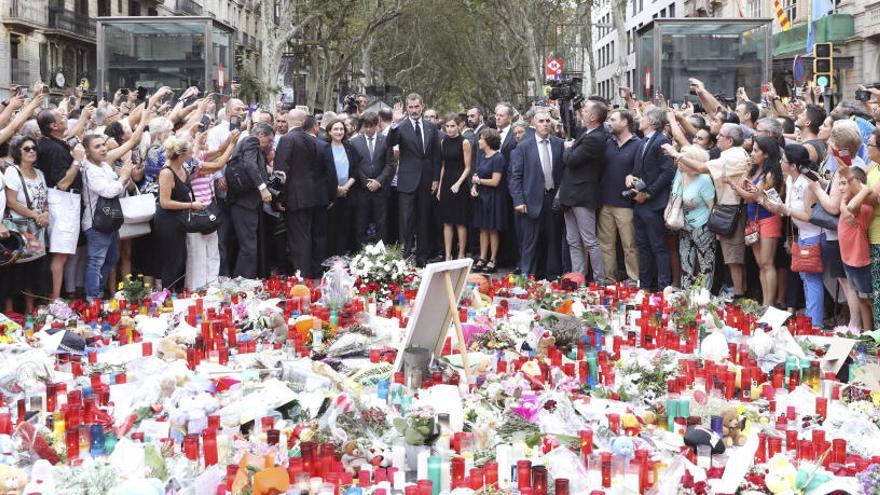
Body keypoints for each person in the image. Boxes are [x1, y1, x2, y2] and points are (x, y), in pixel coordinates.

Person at [668, 123, 750, 297]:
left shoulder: (731, 156)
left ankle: (737, 295)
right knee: (728, 258)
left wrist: (676, 154)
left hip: (729, 211)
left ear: (729, 140)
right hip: (714, 216)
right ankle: (689, 293)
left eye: (720, 135)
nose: (716, 137)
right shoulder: (731, 154)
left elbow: (700, 167)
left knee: (732, 258)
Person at [726, 136, 784, 306]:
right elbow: (743, 186)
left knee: (767, 263)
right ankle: (765, 303)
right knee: (761, 264)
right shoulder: (755, 170)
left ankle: (769, 304)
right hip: (753, 219)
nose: (752, 153)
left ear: (766, 154)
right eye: (752, 150)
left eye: (756, 150)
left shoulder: (771, 173)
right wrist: (747, 171)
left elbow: (751, 197)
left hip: (768, 219)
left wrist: (733, 185)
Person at [771, 144, 824, 327]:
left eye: (783, 161)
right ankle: (811, 318)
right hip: (801, 233)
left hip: (813, 234)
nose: (780, 163)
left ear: (793, 165)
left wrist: (787, 209)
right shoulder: (789, 180)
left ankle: (815, 322)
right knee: (804, 277)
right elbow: (788, 210)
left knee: (811, 278)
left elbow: (811, 217)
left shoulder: (807, 183)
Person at [386, 93, 442, 265]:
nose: (413, 110)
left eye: (416, 107)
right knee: (406, 221)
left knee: (424, 220)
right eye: (410, 107)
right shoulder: (400, 126)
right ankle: (405, 257)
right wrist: (394, 122)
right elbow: (389, 142)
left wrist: (435, 179)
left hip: (426, 181)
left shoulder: (431, 127)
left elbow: (436, 156)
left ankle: (422, 258)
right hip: (407, 181)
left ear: (422, 106)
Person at [509, 109, 564, 279]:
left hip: (553, 199)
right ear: (533, 124)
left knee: (553, 239)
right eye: (541, 121)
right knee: (530, 242)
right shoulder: (524, 146)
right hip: (530, 200)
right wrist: (518, 200)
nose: (545, 124)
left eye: (548, 121)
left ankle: (552, 276)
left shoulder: (558, 144)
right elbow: (515, 176)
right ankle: (528, 276)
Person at [627, 107, 675, 291]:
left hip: (653, 203)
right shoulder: (643, 141)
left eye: (643, 117)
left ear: (652, 121)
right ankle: (645, 285)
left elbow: (667, 172)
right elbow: (642, 170)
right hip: (639, 203)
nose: (639, 119)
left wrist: (649, 193)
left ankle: (663, 287)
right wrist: (630, 176)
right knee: (643, 246)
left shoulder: (662, 141)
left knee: (658, 247)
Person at [560, 100, 608, 282]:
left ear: (594, 117)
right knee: (572, 240)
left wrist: (567, 148)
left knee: (589, 241)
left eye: (585, 109)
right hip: (570, 195)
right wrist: (566, 103)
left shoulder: (596, 138)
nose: (582, 111)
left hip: (583, 195)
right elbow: (569, 125)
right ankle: (577, 277)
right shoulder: (587, 132)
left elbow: (570, 160)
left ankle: (599, 279)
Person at [36, 108, 81, 300]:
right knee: (61, 254)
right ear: (53, 126)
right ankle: (55, 299)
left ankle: (56, 296)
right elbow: (62, 183)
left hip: (66, 202)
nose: (65, 118)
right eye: (61, 117)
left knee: (63, 253)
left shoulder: (53, 143)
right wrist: (77, 162)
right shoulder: (52, 148)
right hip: (62, 201)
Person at [81, 134, 133, 299]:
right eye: (97, 146)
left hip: (109, 221)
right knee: (96, 262)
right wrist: (123, 177)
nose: (103, 148)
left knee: (111, 259)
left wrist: (122, 178)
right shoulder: (89, 170)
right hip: (96, 223)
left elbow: (117, 187)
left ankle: (98, 294)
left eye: (103, 144)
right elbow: (109, 191)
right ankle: (92, 298)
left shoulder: (104, 166)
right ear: (87, 152)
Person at [185, 131, 238, 290]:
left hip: (209, 210)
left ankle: (212, 285)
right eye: (202, 141)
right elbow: (219, 164)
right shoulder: (190, 165)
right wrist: (233, 144)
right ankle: (198, 288)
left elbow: (219, 151)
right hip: (196, 211)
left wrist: (230, 138)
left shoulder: (201, 156)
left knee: (213, 251)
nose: (206, 143)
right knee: (198, 254)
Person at [153, 136, 206, 291]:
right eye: (189, 153)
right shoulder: (166, 172)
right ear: (181, 155)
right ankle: (168, 294)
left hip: (180, 219)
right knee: (171, 259)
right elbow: (164, 202)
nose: (191, 156)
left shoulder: (182, 168)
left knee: (181, 258)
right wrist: (191, 204)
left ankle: (177, 292)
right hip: (167, 221)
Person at [4, 136, 49, 312]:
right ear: (17, 152)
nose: (32, 151)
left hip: (37, 229)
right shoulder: (13, 172)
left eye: (34, 148)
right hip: (19, 228)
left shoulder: (40, 173)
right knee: (16, 271)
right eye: (26, 149)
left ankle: (30, 311)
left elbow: (45, 200)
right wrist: (36, 215)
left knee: (34, 270)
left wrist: (45, 213)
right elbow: (12, 202)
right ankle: (10, 313)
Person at [275, 108, 321, 278]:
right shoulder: (312, 140)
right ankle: (305, 272)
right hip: (309, 195)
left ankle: (302, 275)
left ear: (288, 120)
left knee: (297, 239)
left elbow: (281, 172)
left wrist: (278, 196)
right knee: (305, 235)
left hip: (294, 197)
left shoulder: (287, 139)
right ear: (303, 122)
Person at [227, 123, 274, 278]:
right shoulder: (251, 140)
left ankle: (244, 278)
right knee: (248, 246)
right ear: (261, 135)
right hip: (244, 203)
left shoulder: (252, 145)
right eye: (269, 140)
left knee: (249, 244)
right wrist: (262, 188)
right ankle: (243, 281)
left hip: (246, 202)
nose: (270, 144)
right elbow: (249, 164)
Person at [599, 109, 641, 282]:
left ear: (625, 122)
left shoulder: (638, 144)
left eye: (613, 119)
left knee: (629, 246)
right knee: (605, 245)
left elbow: (641, 171)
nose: (609, 122)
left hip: (625, 204)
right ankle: (610, 280)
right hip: (605, 203)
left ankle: (634, 280)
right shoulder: (608, 142)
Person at [666, 145, 715, 289]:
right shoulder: (680, 175)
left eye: (683, 158)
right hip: (685, 226)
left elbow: (712, 207)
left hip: (702, 228)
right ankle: (685, 293)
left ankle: (703, 296)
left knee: (705, 264)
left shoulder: (704, 180)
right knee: (685, 261)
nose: (678, 161)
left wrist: (712, 230)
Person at [835, 167, 873, 330]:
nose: (840, 188)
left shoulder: (862, 207)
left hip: (860, 261)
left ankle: (873, 331)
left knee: (869, 300)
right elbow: (845, 206)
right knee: (861, 299)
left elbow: (851, 208)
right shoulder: (848, 203)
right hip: (849, 259)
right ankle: (868, 332)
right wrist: (844, 203)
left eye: (844, 183)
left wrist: (865, 191)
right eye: (840, 183)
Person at [350, 112, 393, 246]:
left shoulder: (386, 140)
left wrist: (379, 181)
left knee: (381, 222)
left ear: (377, 125)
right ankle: (360, 251)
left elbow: (389, 164)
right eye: (366, 127)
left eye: (371, 126)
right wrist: (365, 181)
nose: (368, 129)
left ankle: (381, 251)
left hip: (381, 189)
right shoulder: (354, 142)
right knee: (361, 221)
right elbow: (354, 165)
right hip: (362, 189)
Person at [471, 129, 507, 272]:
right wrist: (474, 187)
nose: (479, 141)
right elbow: (477, 174)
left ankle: (493, 259)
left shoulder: (498, 158)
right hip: (481, 197)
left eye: (481, 139)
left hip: (493, 197)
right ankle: (482, 257)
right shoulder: (481, 156)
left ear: (488, 141)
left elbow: (495, 181)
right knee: (482, 229)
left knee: (492, 229)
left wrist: (478, 181)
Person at [436, 114, 472, 260]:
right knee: (447, 221)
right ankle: (448, 254)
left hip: (460, 184)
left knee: (460, 222)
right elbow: (443, 166)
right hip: (446, 184)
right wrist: (439, 188)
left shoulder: (465, 142)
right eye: (447, 126)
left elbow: (468, 167)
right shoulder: (443, 141)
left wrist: (458, 183)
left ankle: (461, 253)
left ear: (459, 126)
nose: (449, 129)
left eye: (452, 126)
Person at [326, 118, 358, 256]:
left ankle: (342, 255)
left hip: (348, 193)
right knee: (331, 227)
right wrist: (336, 189)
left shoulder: (350, 148)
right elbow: (322, 172)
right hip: (330, 195)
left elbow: (355, 170)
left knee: (345, 226)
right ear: (329, 132)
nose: (339, 132)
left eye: (341, 129)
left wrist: (345, 188)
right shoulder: (324, 148)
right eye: (336, 129)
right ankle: (330, 257)